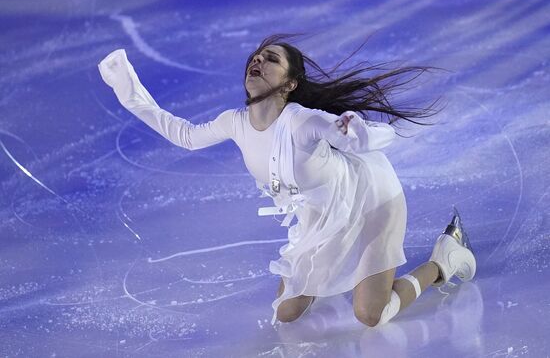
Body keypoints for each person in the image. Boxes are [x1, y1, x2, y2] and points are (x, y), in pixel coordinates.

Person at [98, 34, 476, 327]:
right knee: (286, 313)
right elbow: (183, 134)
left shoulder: (302, 121)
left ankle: (444, 259)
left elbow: (374, 137)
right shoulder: (234, 122)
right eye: (255, 58)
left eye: (271, 59)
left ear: (290, 83)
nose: (257, 61)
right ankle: (328, 276)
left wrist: (355, 131)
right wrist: (127, 90)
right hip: (320, 218)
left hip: (373, 202)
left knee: (369, 316)